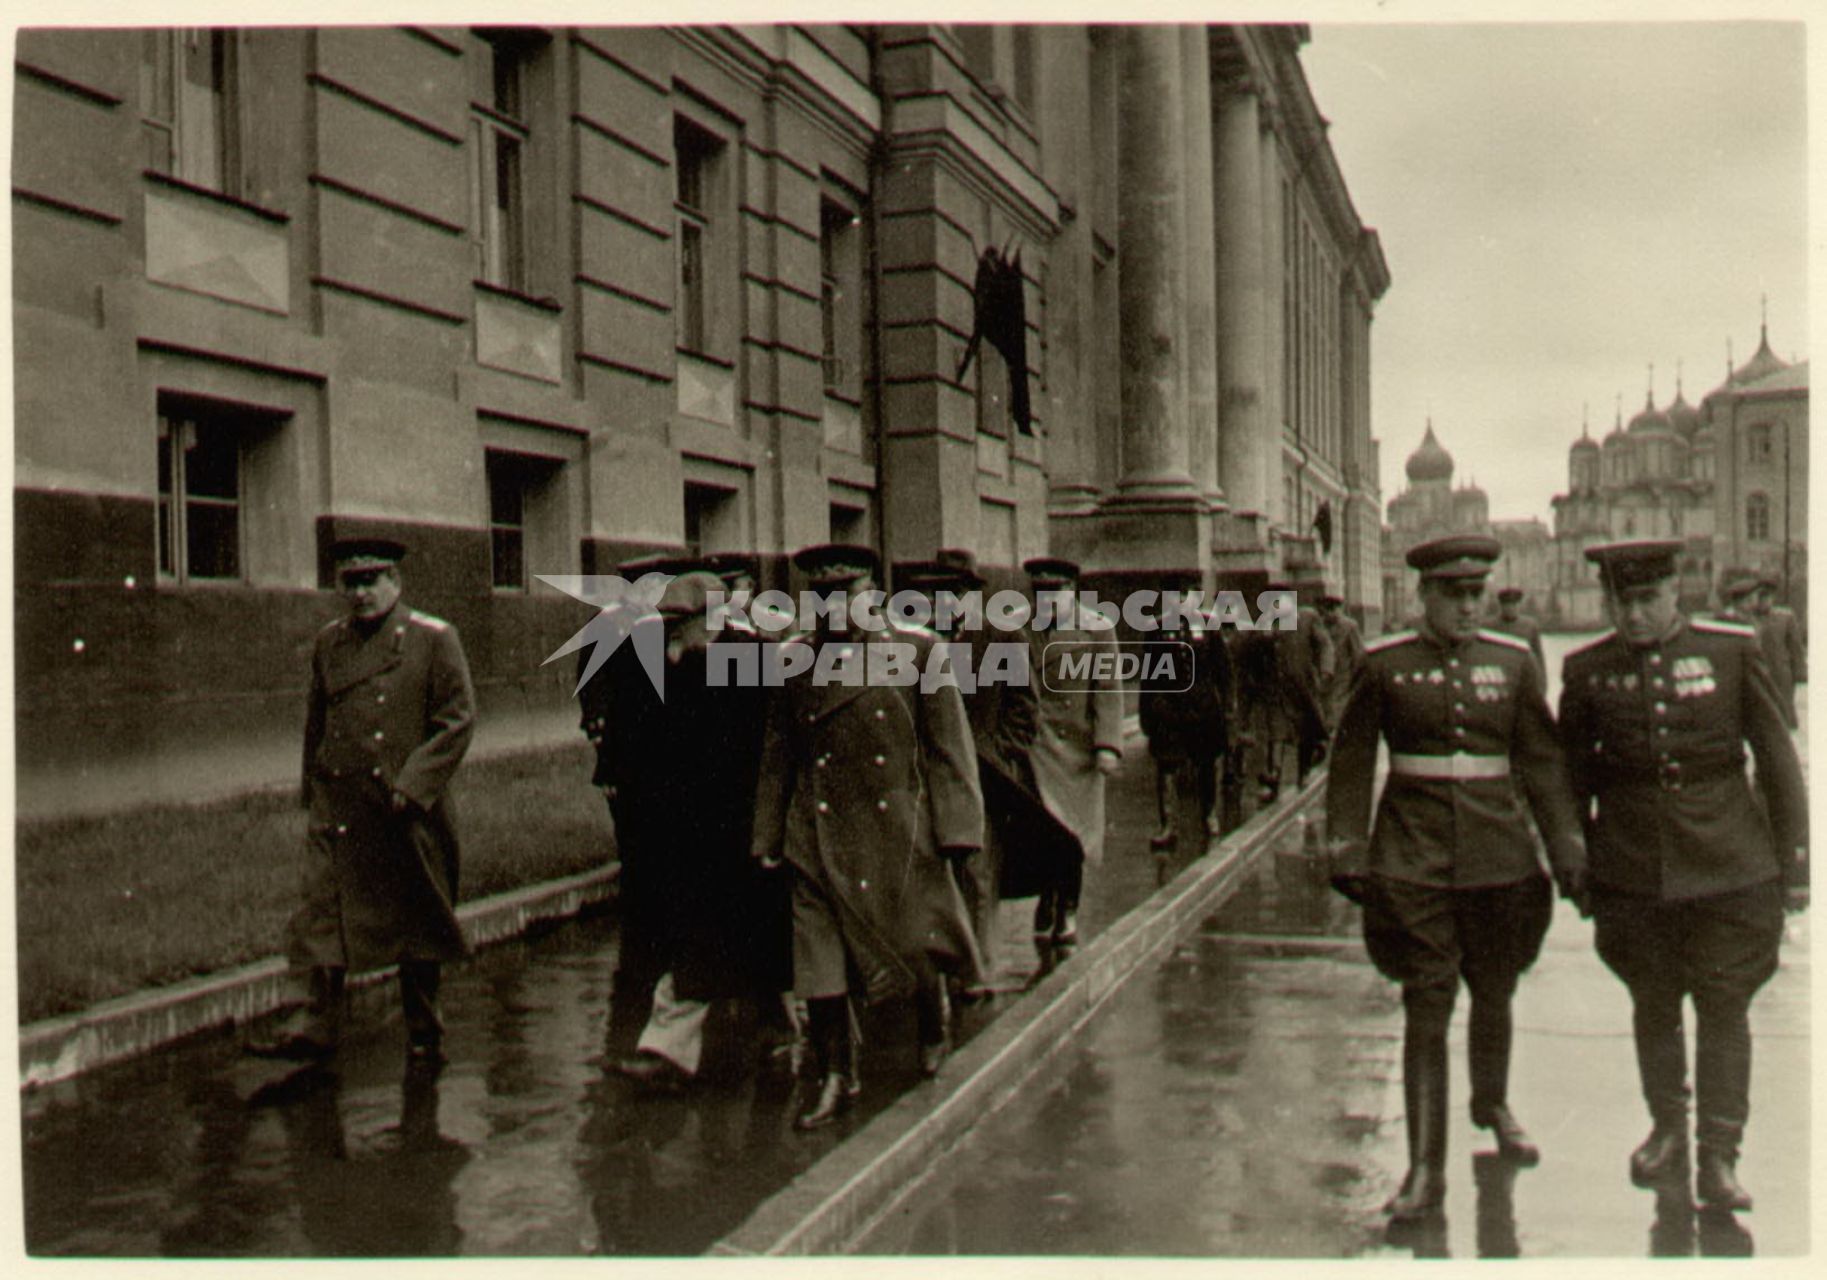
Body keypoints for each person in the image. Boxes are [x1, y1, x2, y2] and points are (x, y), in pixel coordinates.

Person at [1326, 534, 1588, 1221]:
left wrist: (1564, 845)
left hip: (1499, 859)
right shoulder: (1384, 665)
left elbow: (1540, 760)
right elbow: (1351, 758)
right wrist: (1346, 844)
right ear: (1424, 596)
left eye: (1477, 594)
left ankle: (1492, 1104)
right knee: (1426, 1002)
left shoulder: (1511, 662)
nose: (1469, 607)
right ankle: (1422, 1172)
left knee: (1494, 991)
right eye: (1454, 595)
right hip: (1412, 858)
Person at [1559, 539, 1807, 1213]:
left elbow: (1777, 762)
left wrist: (1795, 867)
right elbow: (1568, 779)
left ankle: (1719, 1156)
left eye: (1646, 600)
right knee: (1654, 1003)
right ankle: (1667, 1127)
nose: (1633, 616)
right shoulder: (1586, 672)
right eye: (1621, 602)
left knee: (1724, 1007)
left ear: (1675, 593)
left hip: (1730, 865)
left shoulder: (1730, 652)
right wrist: (1575, 859)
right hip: (1634, 871)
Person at [751, 544, 986, 1128]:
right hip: (817, 828)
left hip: (897, 831)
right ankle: (837, 1074)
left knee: (914, 942)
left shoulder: (918, 651)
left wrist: (957, 833)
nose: (834, 609)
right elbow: (778, 756)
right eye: (822, 597)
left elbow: (948, 752)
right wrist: (768, 835)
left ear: (871, 596)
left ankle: (933, 1022)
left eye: (845, 595)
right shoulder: (794, 662)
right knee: (819, 961)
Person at [248, 537, 477, 1065]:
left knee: (416, 921)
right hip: (341, 806)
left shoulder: (434, 639)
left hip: (405, 808)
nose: (360, 594)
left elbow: (457, 721)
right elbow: (319, 721)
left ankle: (424, 1031)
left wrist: (412, 788)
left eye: (371, 581)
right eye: (350, 583)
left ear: (395, 583)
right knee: (321, 914)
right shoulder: (330, 643)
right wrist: (313, 789)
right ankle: (315, 1025)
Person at [590, 570, 789, 1091]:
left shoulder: (751, 660)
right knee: (700, 931)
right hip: (675, 823)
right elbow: (630, 731)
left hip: (738, 820)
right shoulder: (654, 656)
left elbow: (771, 747)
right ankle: (684, 1045)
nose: (670, 635)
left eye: (681, 625)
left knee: (742, 930)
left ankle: (716, 1042)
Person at [1022, 557, 1125, 949]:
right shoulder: (1017, 627)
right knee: (1043, 832)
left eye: (1056, 593)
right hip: (1035, 747)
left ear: (1073, 591)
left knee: (1074, 836)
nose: (1048, 601)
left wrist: (1107, 746)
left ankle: (1067, 905)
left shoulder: (1097, 629)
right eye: (1040, 593)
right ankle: (1047, 897)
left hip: (1079, 751)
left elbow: (1108, 691)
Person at [1141, 578, 1234, 849]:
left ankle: (1209, 815)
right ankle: (1168, 825)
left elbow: (1224, 672)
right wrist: (1148, 713)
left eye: (1184, 596)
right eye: (1173, 596)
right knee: (1167, 765)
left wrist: (1228, 708)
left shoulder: (1208, 628)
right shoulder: (1156, 630)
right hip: (1167, 710)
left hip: (1203, 709)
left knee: (1207, 764)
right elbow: (1148, 676)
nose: (1179, 602)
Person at [1751, 572, 1806, 728]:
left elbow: (1795, 647)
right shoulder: (1748, 618)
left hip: (1780, 672)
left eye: (1766, 596)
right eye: (1759, 597)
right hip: (1758, 672)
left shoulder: (1785, 617)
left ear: (1772, 597)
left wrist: (1800, 672)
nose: (1763, 601)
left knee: (1783, 712)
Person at [1316, 593, 1365, 726]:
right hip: (1324, 677)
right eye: (1322, 611)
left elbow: (1358, 654)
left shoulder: (1349, 626)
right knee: (1325, 709)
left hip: (1343, 676)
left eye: (1328, 610)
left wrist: (1357, 678)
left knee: (1337, 711)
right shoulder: (1320, 626)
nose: (1325, 615)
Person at [1489, 586, 1545, 672]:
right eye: (1507, 604)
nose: (1511, 608)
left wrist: (1542, 682)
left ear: (1519, 605)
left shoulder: (1530, 626)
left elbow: (1538, 657)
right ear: (1501, 606)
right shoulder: (1490, 626)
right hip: (1499, 672)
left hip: (1523, 672)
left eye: (1514, 604)